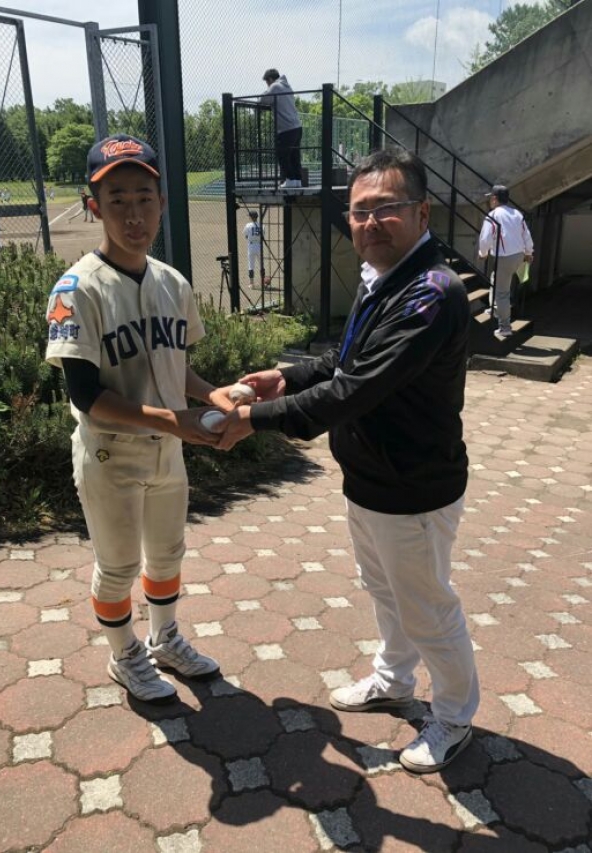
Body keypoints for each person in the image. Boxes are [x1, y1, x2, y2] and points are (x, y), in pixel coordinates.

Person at [214, 148, 480, 774]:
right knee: (385, 591)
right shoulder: (382, 279)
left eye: (387, 208)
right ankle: (394, 679)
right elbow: (345, 359)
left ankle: (454, 716)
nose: (370, 223)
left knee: (427, 608)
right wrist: (285, 376)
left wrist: (254, 419)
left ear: (422, 213)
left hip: (414, 488)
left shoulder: (431, 293)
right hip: (371, 480)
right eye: (359, 212)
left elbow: (353, 391)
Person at [45, 134, 236, 704]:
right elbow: (86, 395)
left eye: (144, 198)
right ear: (94, 206)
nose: (134, 214)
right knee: (119, 565)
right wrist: (176, 419)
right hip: (111, 454)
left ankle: (165, 637)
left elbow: (177, 367)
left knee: (168, 554)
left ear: (162, 203)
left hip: (167, 450)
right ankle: (124, 653)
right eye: (118, 199)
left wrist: (212, 394)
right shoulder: (75, 288)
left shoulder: (173, 282)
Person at [478, 184, 533, 340]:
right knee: (495, 279)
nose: (489, 201)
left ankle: (505, 327)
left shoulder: (493, 215)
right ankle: (494, 308)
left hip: (504, 257)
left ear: (495, 199)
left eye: (490, 198)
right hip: (518, 255)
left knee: (502, 293)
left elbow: (485, 238)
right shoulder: (516, 213)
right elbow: (526, 234)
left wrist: (483, 253)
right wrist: (529, 252)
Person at [261, 69, 303, 189]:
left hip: (286, 128)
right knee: (294, 155)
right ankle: (297, 180)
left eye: (267, 83)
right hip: (297, 127)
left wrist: (267, 92)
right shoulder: (287, 86)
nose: (267, 86)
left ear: (270, 79)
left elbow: (263, 100)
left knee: (282, 154)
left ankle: (289, 179)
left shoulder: (275, 86)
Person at [243, 210, 265, 287]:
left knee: (251, 265)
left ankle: (251, 283)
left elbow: (246, 236)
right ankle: (262, 282)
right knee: (261, 265)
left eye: (249, 216)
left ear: (251, 217)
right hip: (259, 246)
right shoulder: (262, 225)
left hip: (251, 246)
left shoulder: (248, 225)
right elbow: (262, 236)